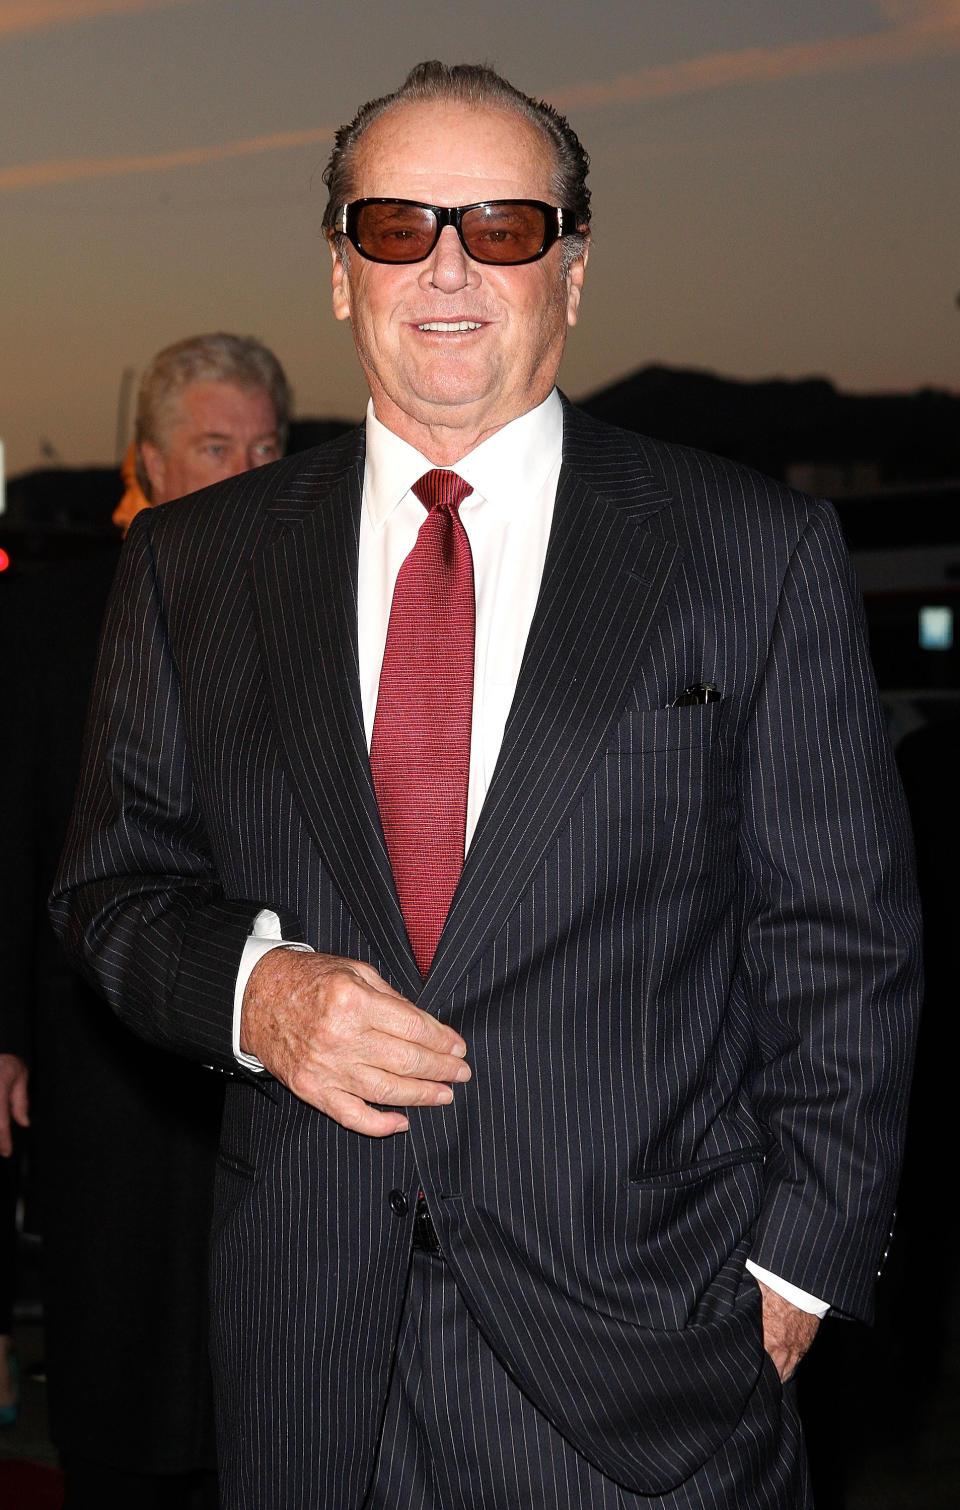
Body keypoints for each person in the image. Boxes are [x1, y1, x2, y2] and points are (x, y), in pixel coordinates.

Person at [51, 63, 922, 1510]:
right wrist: (258, 998)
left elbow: (844, 939)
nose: (447, 266)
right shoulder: (191, 565)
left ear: (572, 272)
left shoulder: (749, 550)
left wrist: (794, 1271)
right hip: (307, 1366)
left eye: (505, 226)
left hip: (652, 1372)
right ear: (340, 272)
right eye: (396, 225)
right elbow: (110, 889)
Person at [1, 333, 289, 1507]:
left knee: (264, 1366)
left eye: (268, 448)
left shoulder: (328, 619)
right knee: (120, 1355)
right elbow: (9, 822)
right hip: (99, 1046)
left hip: (270, 1052)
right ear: (149, 464)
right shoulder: (50, 619)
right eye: (215, 446)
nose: (245, 470)